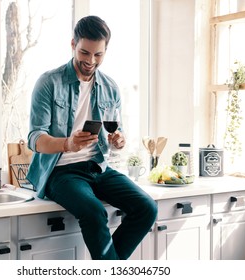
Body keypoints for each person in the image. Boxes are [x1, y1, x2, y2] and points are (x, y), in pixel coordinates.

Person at [27, 15, 157, 260]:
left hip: (99, 167)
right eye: (85, 53)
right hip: (61, 172)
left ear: (105, 50)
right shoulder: (48, 82)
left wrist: (118, 141)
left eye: (98, 55)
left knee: (146, 208)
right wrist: (68, 143)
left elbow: (116, 133)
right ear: (73, 44)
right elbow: (35, 138)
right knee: (95, 212)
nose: (90, 61)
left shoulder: (110, 87)